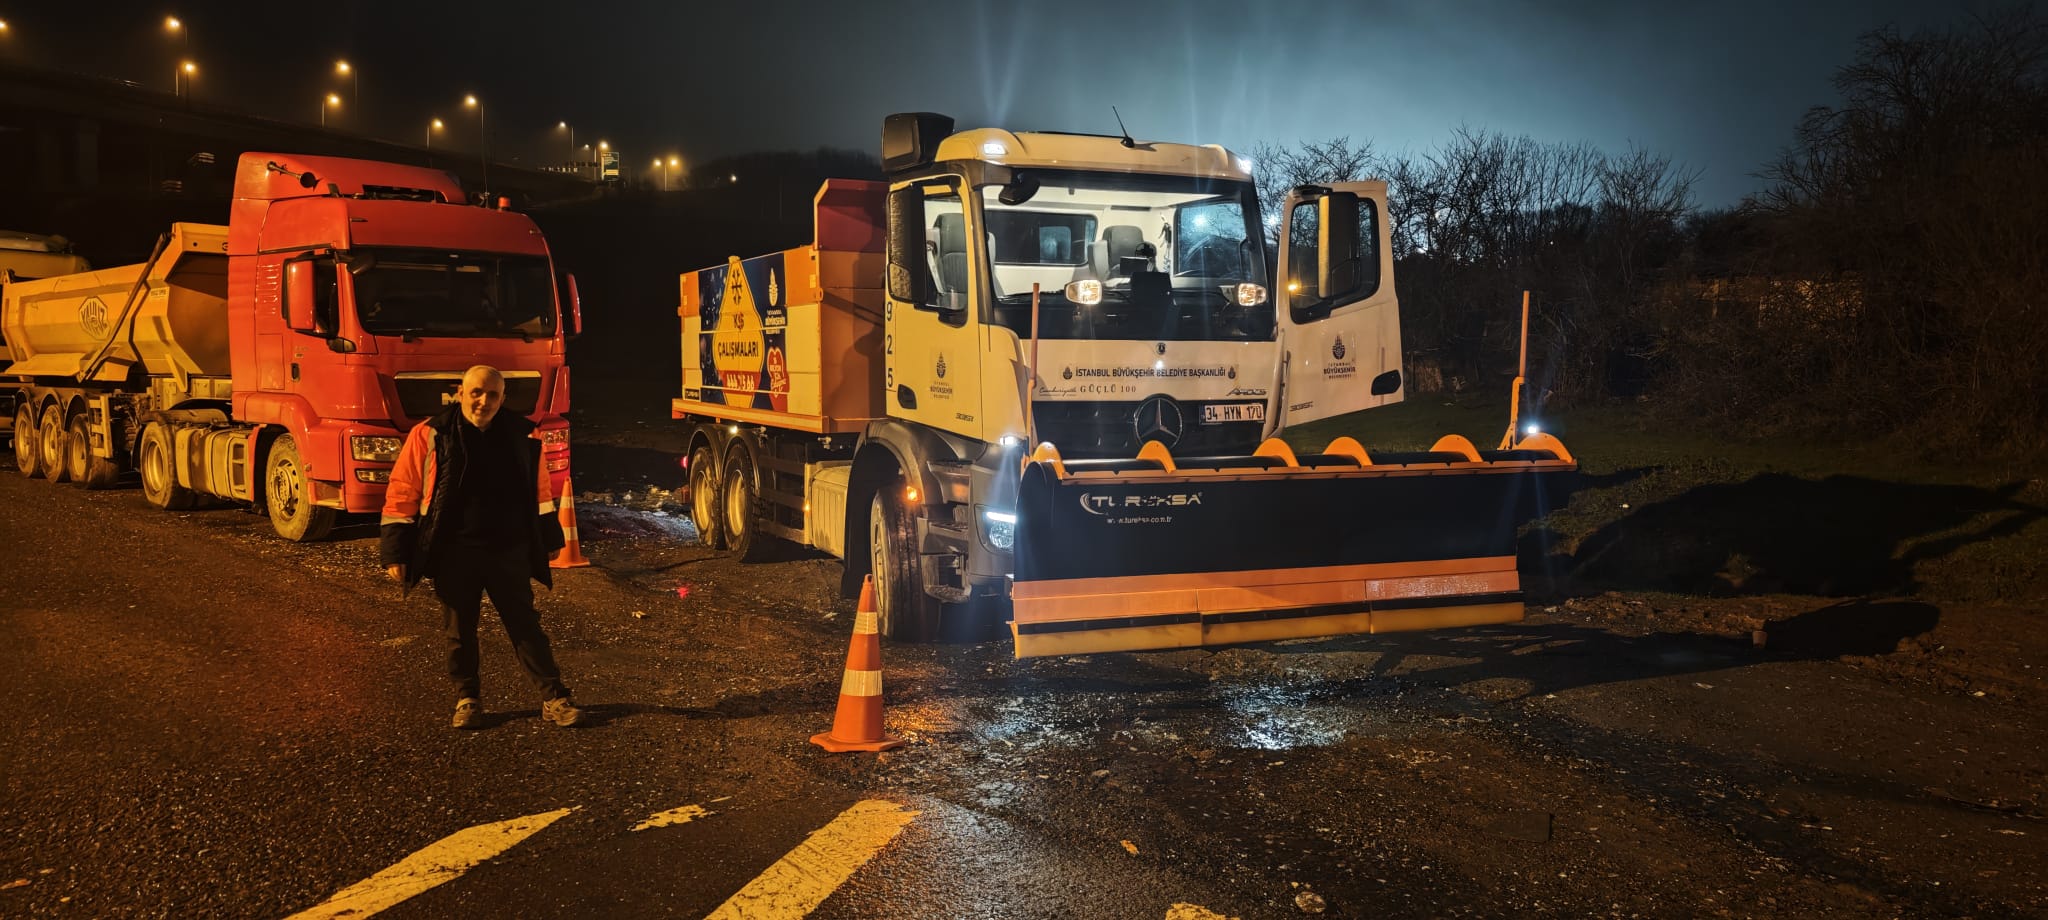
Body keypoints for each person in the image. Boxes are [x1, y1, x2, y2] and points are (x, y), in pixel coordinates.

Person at [380, 365, 582, 729]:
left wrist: (550, 539)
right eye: (476, 392)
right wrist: (396, 551)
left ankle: (554, 697)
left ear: (503, 399)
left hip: (507, 549)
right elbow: (402, 491)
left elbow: (540, 493)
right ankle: (467, 699)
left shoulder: (523, 436)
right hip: (453, 551)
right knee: (459, 631)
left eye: (492, 395)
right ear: (460, 392)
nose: (483, 401)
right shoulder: (429, 434)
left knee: (525, 626)